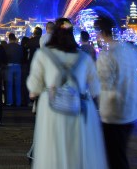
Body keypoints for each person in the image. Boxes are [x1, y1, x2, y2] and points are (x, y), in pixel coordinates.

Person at [26, 18, 106, 168]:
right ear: (72, 34)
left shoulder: (43, 55)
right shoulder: (84, 57)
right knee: (79, 154)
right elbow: (95, 89)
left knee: (53, 152)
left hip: (52, 110)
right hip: (80, 110)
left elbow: (33, 88)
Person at [95, 16, 137, 169]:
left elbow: (103, 84)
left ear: (101, 32)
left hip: (114, 112)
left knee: (114, 157)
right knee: (119, 153)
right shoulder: (129, 50)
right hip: (133, 109)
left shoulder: (106, 55)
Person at [3, 33, 23, 107]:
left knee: (9, 85)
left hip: (9, 66)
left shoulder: (6, 47)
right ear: (14, 38)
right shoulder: (19, 47)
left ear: (9, 38)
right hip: (18, 66)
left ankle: (9, 102)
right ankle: (18, 102)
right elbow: (22, 56)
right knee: (18, 86)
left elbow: (4, 57)